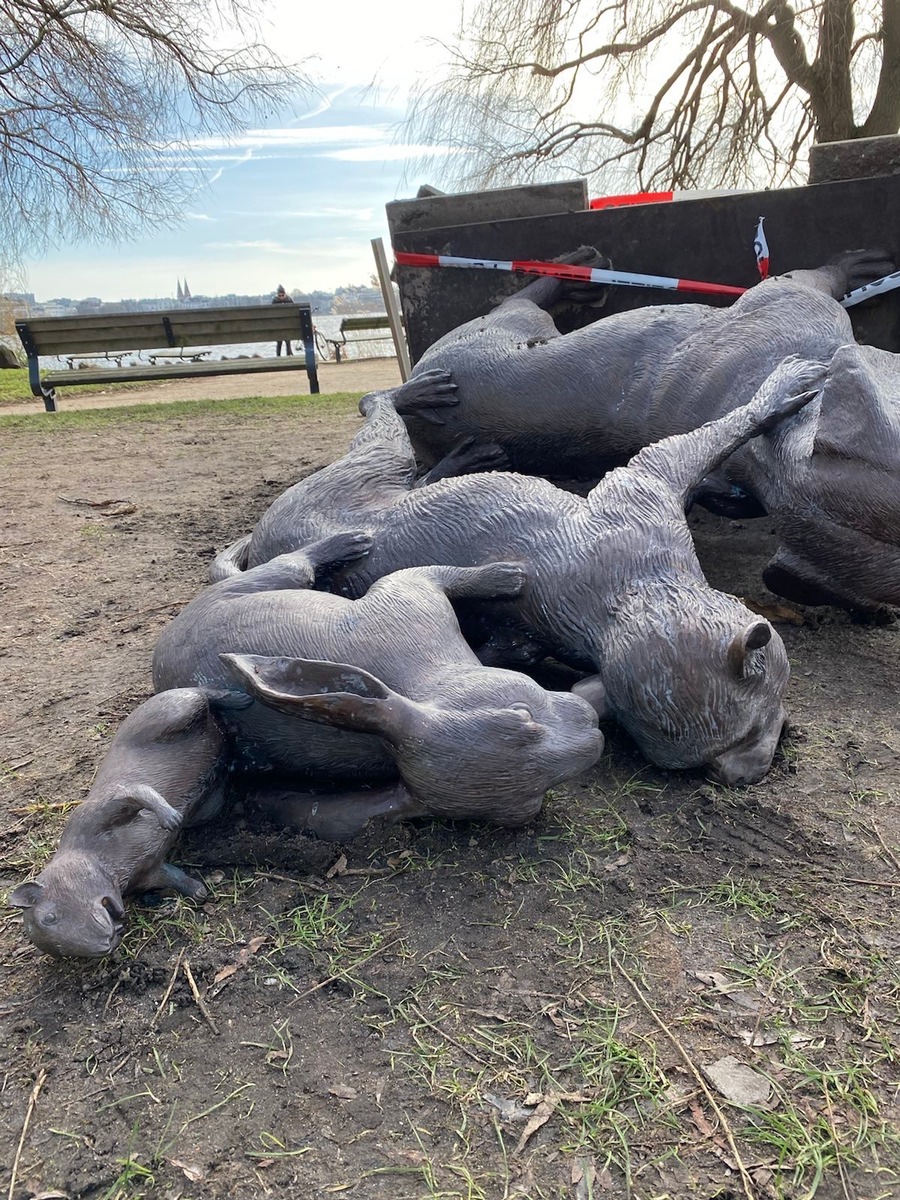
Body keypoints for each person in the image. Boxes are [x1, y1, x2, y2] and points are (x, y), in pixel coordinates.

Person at [271, 285, 294, 356]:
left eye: (282, 295)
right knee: (286, 339)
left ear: (285, 294)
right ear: (277, 295)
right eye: (279, 295)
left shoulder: (274, 301)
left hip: (279, 326)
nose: (281, 297)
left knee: (280, 340)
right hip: (286, 326)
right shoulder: (290, 301)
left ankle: (279, 355)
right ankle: (289, 354)